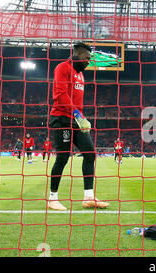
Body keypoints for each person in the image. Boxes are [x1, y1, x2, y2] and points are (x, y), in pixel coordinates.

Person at [48, 42, 109, 211]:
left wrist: (80, 117)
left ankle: (88, 197)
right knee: (63, 158)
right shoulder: (62, 68)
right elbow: (60, 94)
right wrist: (76, 115)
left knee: (90, 154)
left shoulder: (81, 75)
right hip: (61, 118)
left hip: (76, 119)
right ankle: (52, 199)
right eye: (87, 58)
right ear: (77, 55)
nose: (89, 61)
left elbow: (77, 101)